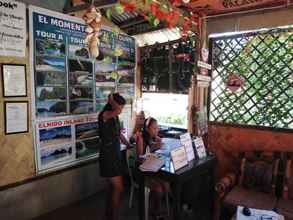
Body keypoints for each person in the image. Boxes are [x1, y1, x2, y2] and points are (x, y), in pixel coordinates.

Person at [98, 93, 131, 220]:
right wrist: (112, 101)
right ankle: (114, 216)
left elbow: (119, 134)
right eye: (120, 105)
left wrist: (128, 144)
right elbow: (117, 110)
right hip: (108, 156)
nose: (121, 109)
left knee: (112, 188)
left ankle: (109, 214)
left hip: (115, 154)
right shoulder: (105, 114)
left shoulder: (115, 117)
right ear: (113, 104)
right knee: (119, 187)